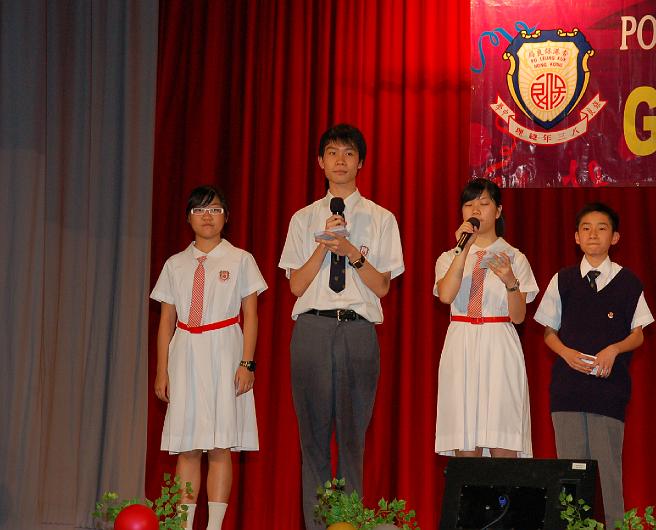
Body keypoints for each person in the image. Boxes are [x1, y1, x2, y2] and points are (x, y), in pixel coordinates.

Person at [278, 123, 404, 529]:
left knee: (352, 439)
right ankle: (317, 525)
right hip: (312, 329)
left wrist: (349, 250)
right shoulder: (303, 219)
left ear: (360, 162)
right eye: (332, 153)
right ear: (320, 161)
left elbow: (382, 286)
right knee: (313, 440)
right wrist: (323, 245)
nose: (340, 161)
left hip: (357, 329)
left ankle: (348, 524)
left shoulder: (381, 219)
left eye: (349, 153)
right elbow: (295, 285)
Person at [151, 185, 267, 530]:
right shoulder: (175, 264)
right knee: (187, 446)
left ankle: (214, 526)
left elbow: (251, 315)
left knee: (219, 445)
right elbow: (166, 321)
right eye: (200, 210)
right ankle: (184, 526)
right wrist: (161, 370)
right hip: (185, 352)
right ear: (188, 217)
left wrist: (247, 362)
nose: (207, 216)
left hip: (224, 351)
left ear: (226, 217)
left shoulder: (241, 259)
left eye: (215, 210)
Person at [533, 202, 654, 527]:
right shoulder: (563, 279)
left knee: (608, 473)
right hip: (568, 391)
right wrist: (566, 353)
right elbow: (548, 332)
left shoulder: (628, 282)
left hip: (608, 391)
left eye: (602, 228)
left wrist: (614, 349)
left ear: (615, 237)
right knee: (570, 474)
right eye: (586, 228)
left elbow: (639, 334)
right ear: (576, 237)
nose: (593, 234)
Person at [434, 177, 538, 458]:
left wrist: (510, 281)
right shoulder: (449, 257)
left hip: (499, 342)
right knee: (466, 443)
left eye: (484, 203)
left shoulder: (514, 257)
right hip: (461, 343)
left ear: (498, 210)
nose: (476, 210)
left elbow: (518, 317)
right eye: (469, 205)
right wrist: (464, 249)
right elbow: (446, 295)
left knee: (502, 437)